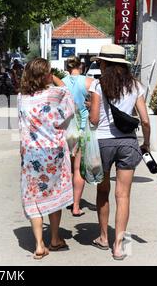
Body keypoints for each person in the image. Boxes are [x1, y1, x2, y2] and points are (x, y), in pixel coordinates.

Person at [88, 44, 151, 260]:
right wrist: (147, 144)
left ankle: (104, 237)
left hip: (103, 143)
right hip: (127, 143)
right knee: (123, 195)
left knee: (103, 191)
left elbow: (95, 119)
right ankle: (119, 246)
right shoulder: (135, 86)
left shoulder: (98, 85)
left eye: (100, 61)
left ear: (105, 63)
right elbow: (144, 120)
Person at [18, 58, 75, 259]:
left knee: (33, 196)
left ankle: (39, 245)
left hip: (32, 152)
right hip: (53, 153)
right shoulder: (54, 94)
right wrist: (56, 78)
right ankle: (55, 238)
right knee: (54, 191)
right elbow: (69, 98)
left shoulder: (22, 98)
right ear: (46, 75)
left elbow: (22, 127)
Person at [62, 56, 94, 217]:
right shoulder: (89, 82)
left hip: (66, 128)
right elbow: (96, 104)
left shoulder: (61, 82)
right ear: (81, 66)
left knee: (67, 168)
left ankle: (66, 200)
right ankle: (75, 206)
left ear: (67, 68)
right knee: (78, 170)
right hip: (82, 128)